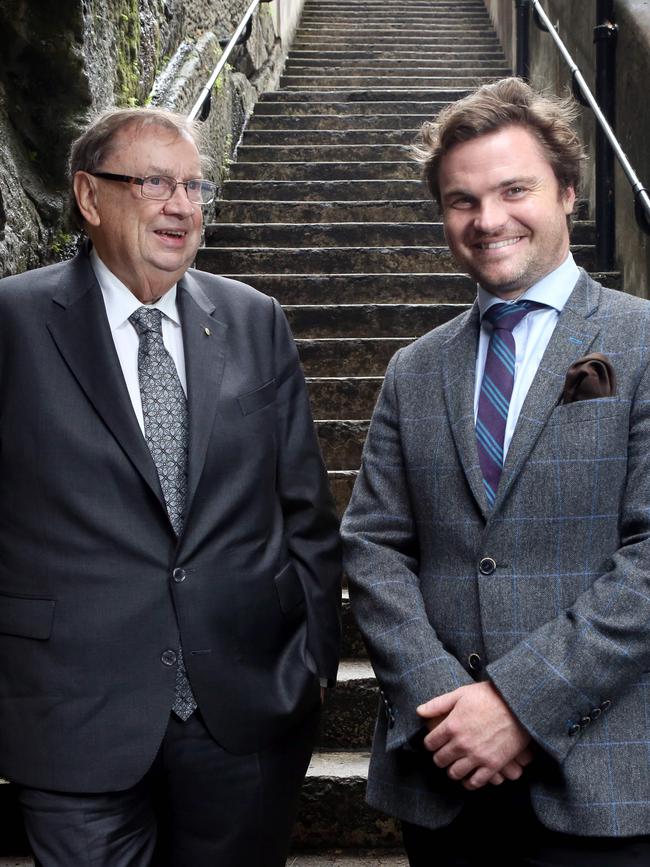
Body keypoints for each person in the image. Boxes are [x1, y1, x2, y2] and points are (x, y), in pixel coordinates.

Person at [0, 107, 341, 867]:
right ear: (90, 197)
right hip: (70, 715)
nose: (182, 205)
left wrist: (313, 660)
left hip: (247, 710)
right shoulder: (14, 323)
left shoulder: (257, 320)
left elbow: (307, 514)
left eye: (194, 185)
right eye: (155, 181)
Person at [342, 77, 650, 866]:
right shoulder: (414, 368)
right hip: (442, 778)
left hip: (607, 778)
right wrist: (446, 709)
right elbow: (373, 547)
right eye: (460, 200)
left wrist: (517, 705)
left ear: (569, 192)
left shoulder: (641, 340)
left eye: (515, 189)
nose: (487, 220)